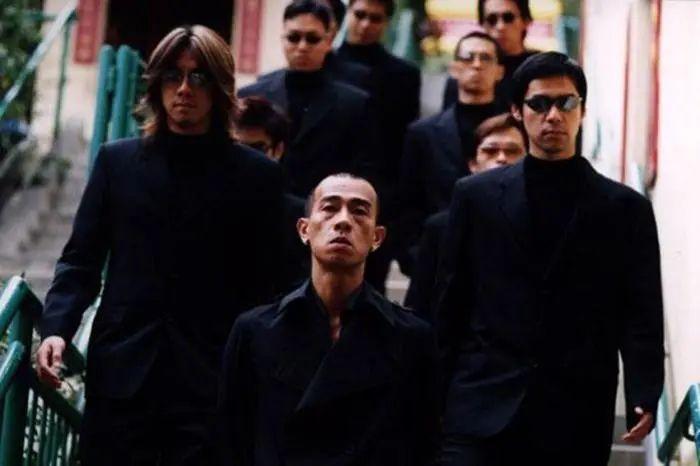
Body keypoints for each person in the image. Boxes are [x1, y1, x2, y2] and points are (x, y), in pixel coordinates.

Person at [35, 26, 285, 466]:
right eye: (172, 75)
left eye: (199, 77)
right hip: (123, 374)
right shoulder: (117, 162)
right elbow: (80, 261)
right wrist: (56, 329)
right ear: (156, 85)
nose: (184, 88)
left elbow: (267, 282)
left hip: (210, 380)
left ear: (220, 88)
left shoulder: (256, 176)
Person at [435, 52, 665, 466]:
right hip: (481, 401)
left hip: (574, 410)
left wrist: (644, 391)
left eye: (566, 102)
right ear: (517, 111)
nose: (553, 115)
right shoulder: (475, 197)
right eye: (539, 104)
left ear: (582, 111)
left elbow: (641, 309)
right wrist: (433, 389)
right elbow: (452, 299)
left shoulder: (625, 208)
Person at [217, 173, 439, 466]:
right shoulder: (255, 331)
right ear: (304, 229)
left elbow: (423, 443)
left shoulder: (410, 338)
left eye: (359, 211)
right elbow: (232, 440)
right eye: (330, 208)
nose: (343, 221)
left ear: (377, 237)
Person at [239, 0, 376, 198]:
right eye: (293, 38)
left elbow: (365, 171)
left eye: (312, 39)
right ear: (283, 39)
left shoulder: (355, 104)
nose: (302, 47)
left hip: (325, 207)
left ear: (328, 41)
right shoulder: (252, 95)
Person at [398, 31, 504, 276]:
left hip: (500, 259)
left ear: (499, 71)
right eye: (468, 58)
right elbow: (407, 202)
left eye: (486, 58)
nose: (476, 65)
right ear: (455, 68)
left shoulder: (516, 132)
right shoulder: (422, 133)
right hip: (436, 260)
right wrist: (414, 257)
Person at [404, 113, 526, 320]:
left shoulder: (541, 222)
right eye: (490, 151)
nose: (501, 158)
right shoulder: (440, 228)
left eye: (512, 151)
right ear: (473, 164)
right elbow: (419, 305)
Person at [336, 0, 422, 292]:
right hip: (330, 183)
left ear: (386, 23)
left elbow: (403, 142)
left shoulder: (404, 75)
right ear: (348, 14)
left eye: (375, 18)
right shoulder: (327, 64)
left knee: (370, 285)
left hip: (381, 192)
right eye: (359, 15)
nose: (365, 24)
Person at [234, 96, 308, 291]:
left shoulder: (301, 215)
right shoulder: (207, 205)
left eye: (257, 149)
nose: (248, 159)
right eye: (238, 149)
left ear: (278, 150)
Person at [442, 0, 538, 109]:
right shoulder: (465, 71)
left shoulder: (538, 69)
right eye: (492, 20)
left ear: (526, 21)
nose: (500, 27)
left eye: (508, 18)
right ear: (482, 24)